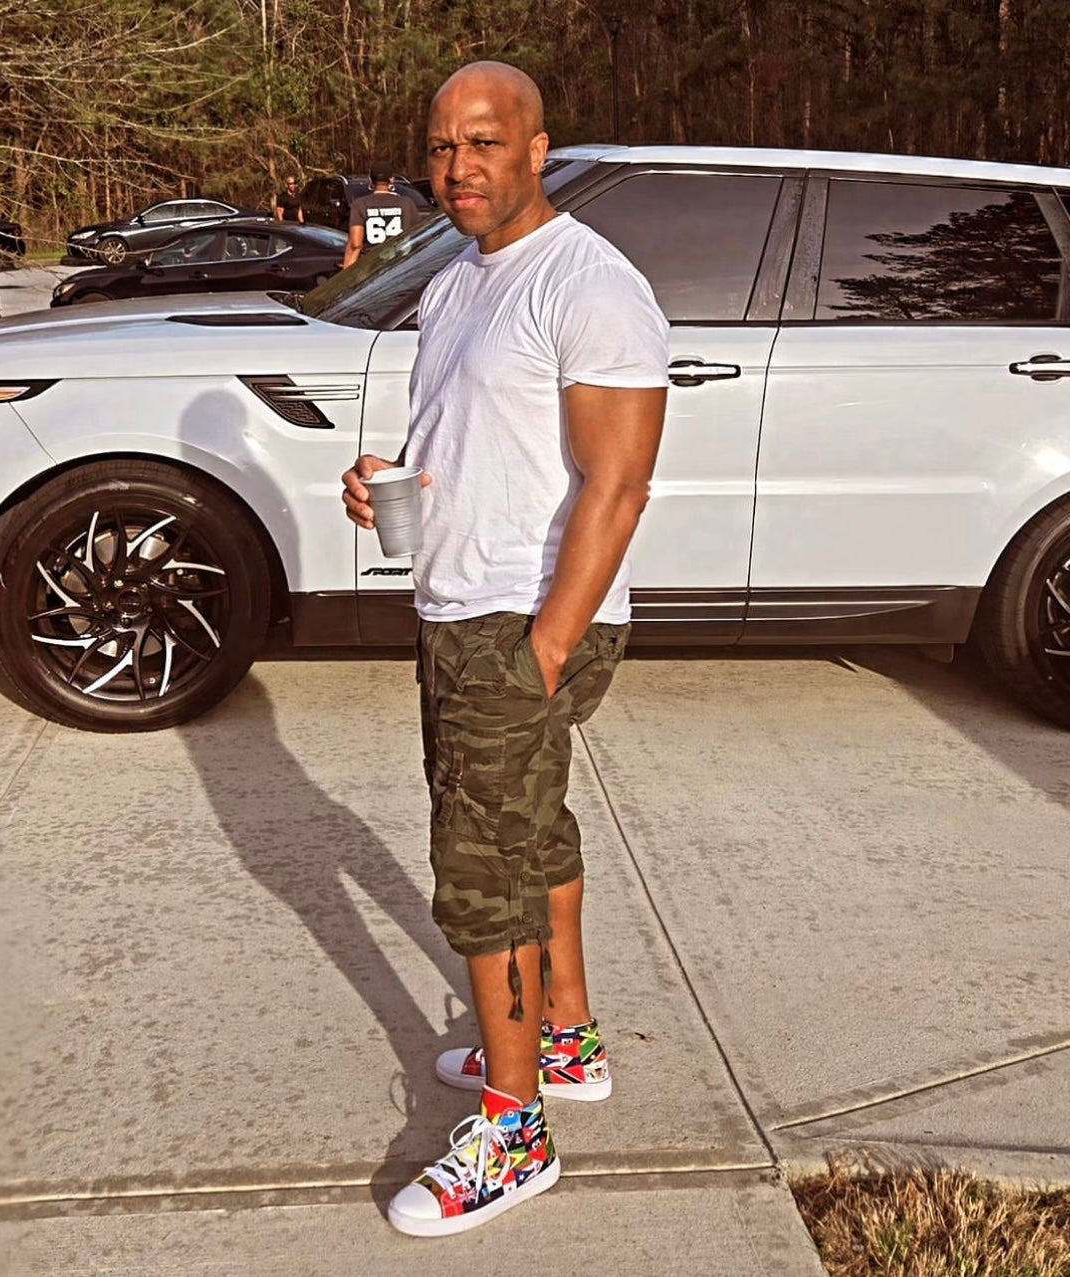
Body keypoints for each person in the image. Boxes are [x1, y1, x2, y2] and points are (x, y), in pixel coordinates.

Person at [341, 61, 669, 1236]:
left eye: (484, 142)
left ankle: (514, 1125)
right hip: (459, 601)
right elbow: (479, 436)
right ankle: (563, 1035)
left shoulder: (591, 285)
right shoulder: (458, 282)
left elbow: (619, 485)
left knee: (484, 870)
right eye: (442, 146)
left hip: (520, 617)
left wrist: (545, 648)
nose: (459, 166)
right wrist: (389, 481)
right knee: (532, 829)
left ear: (538, 150)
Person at [341, 160, 421, 269]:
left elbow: (355, 244)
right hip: (400, 265)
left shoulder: (360, 204)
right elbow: (418, 237)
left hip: (371, 267)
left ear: (370, 180)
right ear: (391, 179)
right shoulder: (407, 203)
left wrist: (347, 273)